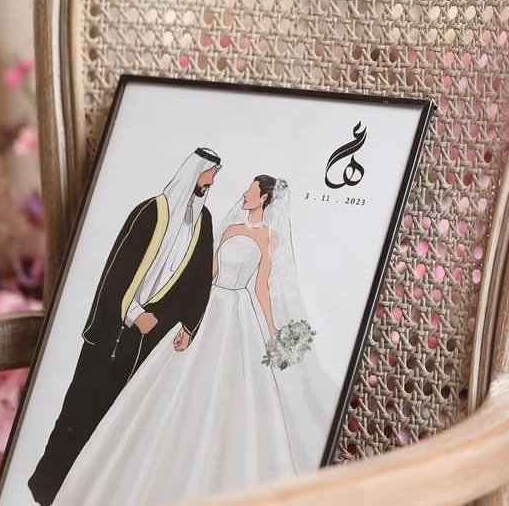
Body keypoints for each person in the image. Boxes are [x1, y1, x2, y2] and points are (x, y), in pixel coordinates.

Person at [52, 175, 336, 506]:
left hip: (237, 313)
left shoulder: (268, 238)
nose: (245, 193)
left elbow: (261, 287)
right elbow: (208, 273)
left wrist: (272, 331)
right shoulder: (230, 230)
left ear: (264, 198)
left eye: (251, 190)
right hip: (209, 305)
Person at [28, 147, 222, 505]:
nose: (211, 181)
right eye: (209, 174)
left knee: (114, 424)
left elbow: (198, 280)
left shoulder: (203, 222)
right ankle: (47, 489)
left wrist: (189, 325)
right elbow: (116, 272)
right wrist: (134, 313)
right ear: (195, 172)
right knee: (80, 410)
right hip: (113, 334)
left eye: (214, 176)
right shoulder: (151, 212)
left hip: (148, 343)